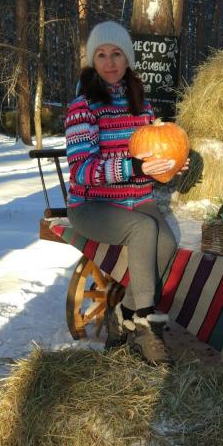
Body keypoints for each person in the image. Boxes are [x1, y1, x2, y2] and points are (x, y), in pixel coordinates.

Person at [65, 21, 183, 364]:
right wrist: (133, 168)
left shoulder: (140, 107)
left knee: (168, 243)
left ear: (127, 59)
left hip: (138, 199)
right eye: (101, 55)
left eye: (116, 54)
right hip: (90, 204)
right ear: (92, 61)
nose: (110, 62)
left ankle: (123, 315)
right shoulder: (82, 107)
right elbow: (81, 171)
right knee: (143, 228)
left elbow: (151, 159)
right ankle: (146, 327)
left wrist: (170, 168)